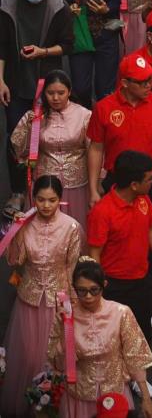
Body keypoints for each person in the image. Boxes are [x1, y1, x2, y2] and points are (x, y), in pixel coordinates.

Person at [0, 176, 81, 418]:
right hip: (30, 299)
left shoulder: (72, 227)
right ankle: (29, 403)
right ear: (33, 198)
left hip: (58, 300)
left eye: (52, 200)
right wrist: (14, 233)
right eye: (41, 199)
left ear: (61, 200)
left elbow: (72, 267)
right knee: (25, 354)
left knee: (55, 353)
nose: (46, 205)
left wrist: (71, 302)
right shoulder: (25, 224)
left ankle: (55, 406)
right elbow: (16, 261)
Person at [48, 258, 152, 418]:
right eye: (82, 291)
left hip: (115, 397)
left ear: (104, 285)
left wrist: (146, 399)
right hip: (80, 397)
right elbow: (56, 362)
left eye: (94, 290)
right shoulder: (66, 317)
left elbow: (135, 357)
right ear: (74, 289)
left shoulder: (121, 313)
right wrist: (65, 331)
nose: (88, 296)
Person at [87, 149, 152, 341]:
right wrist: (98, 288)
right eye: (150, 179)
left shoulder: (143, 200)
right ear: (134, 185)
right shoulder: (102, 212)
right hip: (114, 287)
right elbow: (95, 253)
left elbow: (151, 229)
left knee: (141, 339)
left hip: (141, 282)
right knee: (115, 340)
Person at [87, 52, 152, 218]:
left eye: (150, 78)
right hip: (117, 182)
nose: (149, 85)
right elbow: (96, 148)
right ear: (125, 83)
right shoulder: (103, 107)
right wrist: (93, 189)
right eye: (142, 82)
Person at [10, 72, 92, 231]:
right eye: (50, 93)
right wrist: (28, 126)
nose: (55, 98)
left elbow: (95, 149)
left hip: (76, 184)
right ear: (43, 93)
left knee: (75, 230)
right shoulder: (35, 116)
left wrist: (98, 181)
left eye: (60, 93)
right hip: (44, 182)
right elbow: (18, 149)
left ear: (69, 91)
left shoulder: (85, 115)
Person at [0, 0, 75, 129]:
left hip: (47, 83)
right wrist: (0, 81)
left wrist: (44, 52)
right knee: (16, 133)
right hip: (15, 82)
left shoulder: (59, 7)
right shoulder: (6, 6)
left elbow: (68, 45)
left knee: (47, 133)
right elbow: (2, 47)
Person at [61, 0, 122, 106]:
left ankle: (103, 119)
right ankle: (85, 117)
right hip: (80, 35)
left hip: (106, 34)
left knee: (105, 87)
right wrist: (69, 7)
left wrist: (106, 9)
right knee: (80, 87)